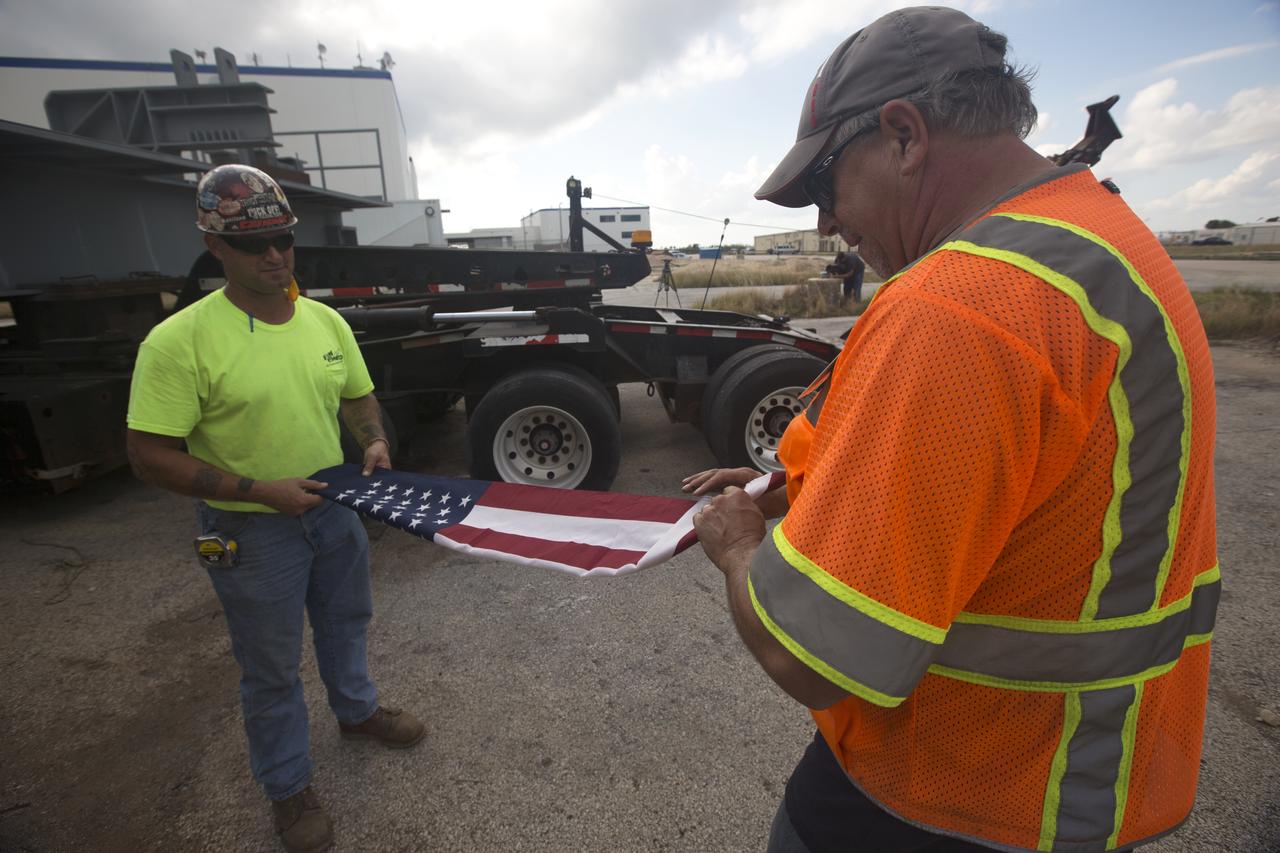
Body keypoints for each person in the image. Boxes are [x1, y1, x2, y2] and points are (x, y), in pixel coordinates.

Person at [685, 7, 1217, 852]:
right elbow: (1021, 478)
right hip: (1078, 775)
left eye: (825, 185)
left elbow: (811, 655)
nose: (826, 223)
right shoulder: (1100, 241)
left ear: (903, 135)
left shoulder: (960, 304)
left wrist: (741, 544)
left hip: (956, 787)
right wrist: (794, 490)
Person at [126, 164, 425, 853]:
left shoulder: (323, 321)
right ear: (214, 246)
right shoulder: (179, 342)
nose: (274, 255)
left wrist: (373, 439)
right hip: (250, 530)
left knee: (347, 620)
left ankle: (355, 710)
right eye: (254, 242)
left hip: (333, 510)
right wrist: (258, 490)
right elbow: (150, 454)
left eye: (283, 238)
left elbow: (355, 394)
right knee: (270, 667)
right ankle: (289, 786)